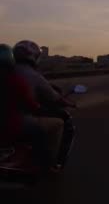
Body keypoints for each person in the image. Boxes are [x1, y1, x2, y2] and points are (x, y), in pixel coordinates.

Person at [13, 40, 74, 168]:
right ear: (34, 57)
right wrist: (68, 103)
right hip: (19, 118)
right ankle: (52, 163)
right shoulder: (33, 75)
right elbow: (53, 97)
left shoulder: (7, 71)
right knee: (60, 122)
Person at [0, 43, 60, 173]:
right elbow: (32, 103)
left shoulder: (16, 75)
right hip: (13, 122)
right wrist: (40, 108)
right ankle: (48, 164)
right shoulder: (17, 80)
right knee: (51, 127)